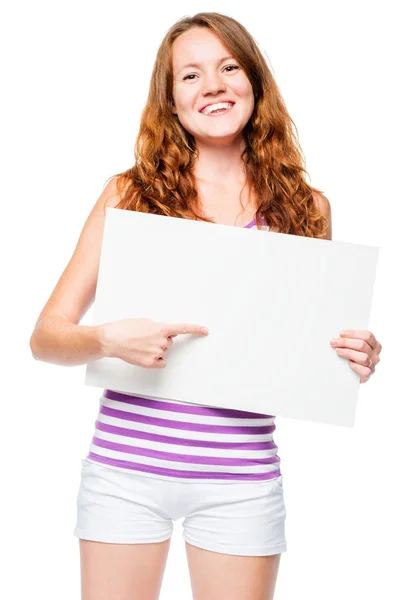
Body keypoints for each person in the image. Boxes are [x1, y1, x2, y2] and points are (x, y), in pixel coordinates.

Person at [29, 11, 382, 600]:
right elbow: (45, 337)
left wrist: (352, 356)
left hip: (241, 478)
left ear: (255, 84)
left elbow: (300, 355)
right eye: (190, 76)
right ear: (170, 100)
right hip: (124, 473)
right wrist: (108, 340)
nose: (212, 85)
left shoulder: (306, 209)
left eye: (228, 67)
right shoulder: (131, 194)